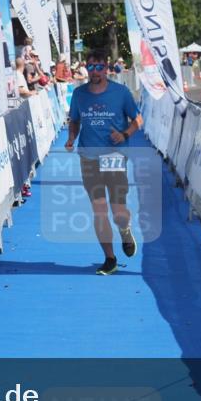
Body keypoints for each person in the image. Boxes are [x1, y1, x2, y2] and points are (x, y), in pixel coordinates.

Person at [64, 49, 143, 276]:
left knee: (118, 211)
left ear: (106, 69)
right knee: (99, 210)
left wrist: (124, 134)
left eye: (99, 67)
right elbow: (75, 121)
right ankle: (109, 258)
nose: (95, 72)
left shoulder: (121, 93)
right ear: (86, 69)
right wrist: (71, 138)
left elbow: (138, 119)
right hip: (88, 157)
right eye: (91, 67)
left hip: (114, 157)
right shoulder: (79, 94)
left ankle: (125, 231)